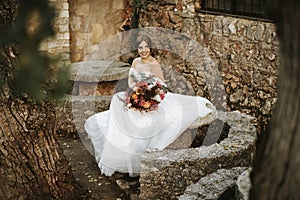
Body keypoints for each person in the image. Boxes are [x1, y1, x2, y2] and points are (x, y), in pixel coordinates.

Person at [84, 35, 216, 176]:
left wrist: (149, 97)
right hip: (136, 93)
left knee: (148, 118)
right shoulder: (135, 62)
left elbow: (162, 86)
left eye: (146, 47)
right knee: (116, 101)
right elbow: (131, 81)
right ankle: (118, 149)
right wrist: (135, 92)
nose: (143, 50)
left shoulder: (154, 64)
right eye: (140, 47)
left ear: (150, 48)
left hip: (151, 96)